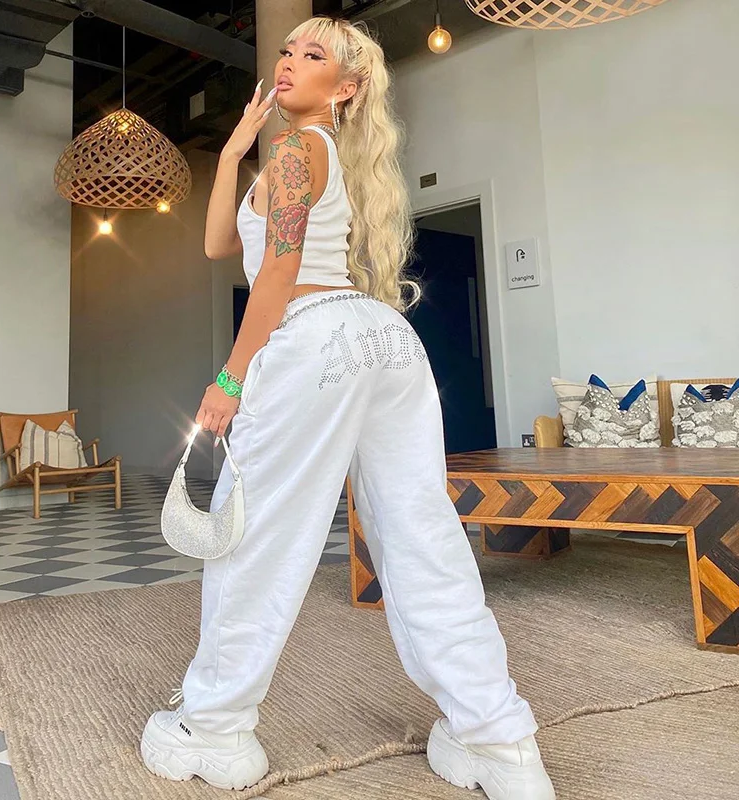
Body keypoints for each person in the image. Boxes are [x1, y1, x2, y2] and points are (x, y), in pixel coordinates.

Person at [140, 16, 555, 800]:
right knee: (423, 535)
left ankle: (213, 728)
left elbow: (276, 274)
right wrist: (230, 154)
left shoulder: (300, 150)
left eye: (314, 54)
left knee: (253, 532)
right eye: (287, 49)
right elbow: (221, 246)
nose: (289, 61)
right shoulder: (303, 153)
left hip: (315, 339)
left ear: (349, 86)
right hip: (384, 341)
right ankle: (497, 738)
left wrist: (230, 378)